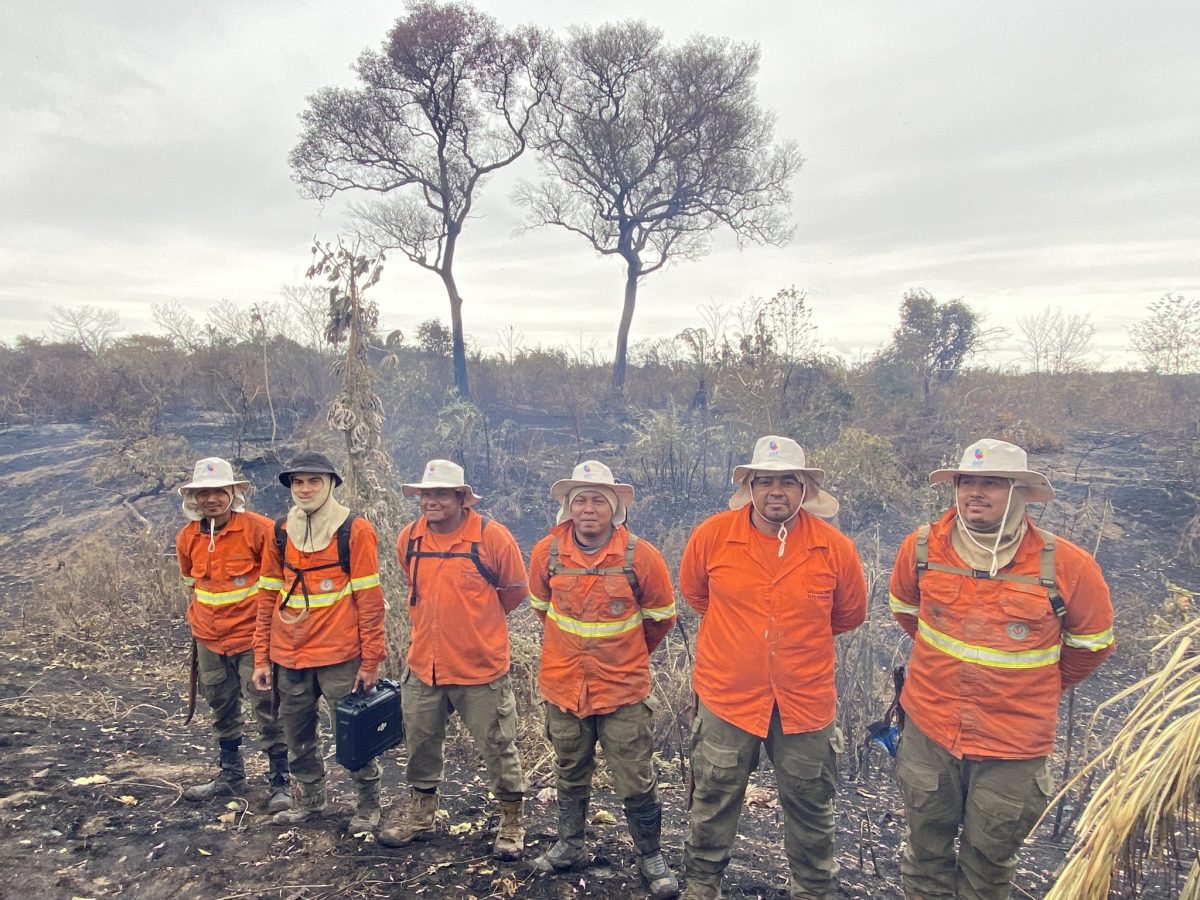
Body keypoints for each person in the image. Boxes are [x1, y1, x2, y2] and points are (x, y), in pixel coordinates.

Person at [888, 439, 1115, 900]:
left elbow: (1091, 646)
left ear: (1019, 493)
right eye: (966, 482)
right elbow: (906, 612)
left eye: (991, 483)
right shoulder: (922, 548)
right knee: (925, 858)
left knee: (987, 870)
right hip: (930, 733)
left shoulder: (1068, 566)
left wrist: (1029, 687)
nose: (975, 492)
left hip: (1012, 746)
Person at [679, 435, 867, 900]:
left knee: (811, 804)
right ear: (750, 487)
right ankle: (702, 885)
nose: (776, 491)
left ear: (805, 489)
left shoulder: (834, 547)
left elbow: (848, 615)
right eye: (765, 481)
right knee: (713, 796)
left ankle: (813, 889)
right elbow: (697, 595)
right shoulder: (713, 536)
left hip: (805, 702)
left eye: (788, 481)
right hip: (727, 696)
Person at [528, 461, 680, 899]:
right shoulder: (547, 553)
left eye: (598, 500)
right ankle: (570, 844)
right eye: (581, 500)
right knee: (570, 770)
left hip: (622, 691)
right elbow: (542, 609)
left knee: (636, 777)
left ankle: (650, 856)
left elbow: (661, 619)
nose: (589, 509)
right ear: (568, 507)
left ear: (614, 508)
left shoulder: (640, 556)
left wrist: (625, 657)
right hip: (564, 687)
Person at [378, 459, 530, 860]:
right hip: (423, 665)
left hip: (479, 668)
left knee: (497, 745)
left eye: (441, 494)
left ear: (462, 498)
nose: (432, 501)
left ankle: (512, 821)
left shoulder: (491, 537)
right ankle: (420, 816)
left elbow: (515, 590)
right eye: (426, 494)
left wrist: (478, 623)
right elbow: (413, 584)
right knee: (420, 744)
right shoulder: (409, 538)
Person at [251, 451, 387, 834]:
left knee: (355, 731)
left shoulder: (354, 530)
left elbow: (370, 602)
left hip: (339, 655)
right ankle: (310, 801)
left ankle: (368, 805)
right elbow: (267, 597)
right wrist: (261, 656)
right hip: (289, 654)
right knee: (297, 733)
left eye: (314, 481)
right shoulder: (280, 531)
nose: (305, 488)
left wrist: (371, 661)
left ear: (330, 485)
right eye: (298, 482)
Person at [176, 457, 291, 813]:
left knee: (267, 706)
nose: (211, 499)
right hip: (209, 638)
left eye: (218, 492)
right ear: (194, 498)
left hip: (253, 639)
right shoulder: (187, 537)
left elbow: (280, 583)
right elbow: (191, 583)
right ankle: (230, 775)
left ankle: (280, 781)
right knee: (220, 704)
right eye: (203, 493)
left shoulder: (260, 530)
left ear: (233, 493)